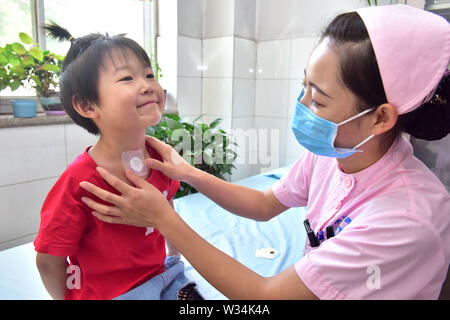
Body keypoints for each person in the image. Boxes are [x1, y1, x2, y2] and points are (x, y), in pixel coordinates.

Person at [79, 4, 450, 299]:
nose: (302, 104)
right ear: (87, 106)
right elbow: (263, 204)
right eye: (303, 85)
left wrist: (164, 219)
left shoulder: (406, 222)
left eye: (318, 100)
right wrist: (187, 172)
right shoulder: (335, 153)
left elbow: (263, 296)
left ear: (380, 118)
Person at [34, 24, 202, 300]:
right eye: (127, 78)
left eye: (149, 75)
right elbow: (49, 261)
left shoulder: (162, 160)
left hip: (162, 277)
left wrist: (173, 259)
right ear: (87, 106)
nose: (147, 85)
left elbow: (167, 207)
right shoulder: (80, 182)